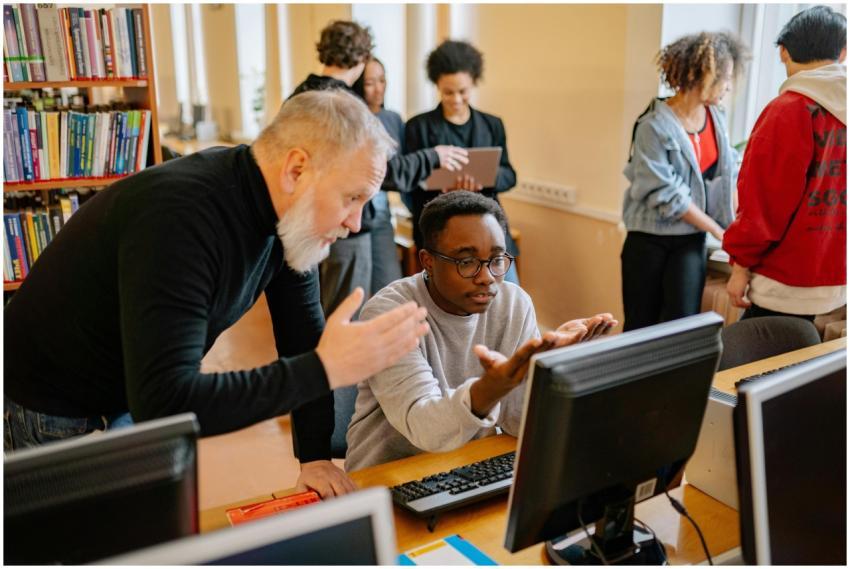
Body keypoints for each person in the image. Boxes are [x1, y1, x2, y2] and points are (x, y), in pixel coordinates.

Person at [4, 90, 430, 498]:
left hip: (129, 390)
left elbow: (303, 336)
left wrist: (315, 456)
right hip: (55, 402)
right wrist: (324, 369)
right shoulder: (181, 218)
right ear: (296, 170)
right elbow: (166, 402)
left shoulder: (289, 216)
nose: (355, 222)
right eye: (352, 198)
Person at [345, 191, 616, 470]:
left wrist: (552, 366)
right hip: (390, 474)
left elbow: (516, 420)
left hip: (470, 464)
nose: (486, 278)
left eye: (496, 260)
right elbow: (424, 427)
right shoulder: (390, 313)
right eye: (467, 262)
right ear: (428, 261)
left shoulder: (513, 303)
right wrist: (488, 390)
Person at [724, 6, 846, 321]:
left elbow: (763, 205)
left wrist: (740, 267)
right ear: (843, 53)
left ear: (783, 52)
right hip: (834, 278)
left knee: (756, 351)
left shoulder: (787, 111)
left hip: (783, 282)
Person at [621, 32, 747, 331]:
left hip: (690, 240)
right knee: (640, 328)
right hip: (649, 240)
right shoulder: (652, 125)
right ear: (697, 75)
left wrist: (738, 229)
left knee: (682, 327)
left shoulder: (716, 117)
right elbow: (667, 193)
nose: (728, 86)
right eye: (723, 77)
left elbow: (727, 175)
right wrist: (718, 230)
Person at [405, 40, 520, 284]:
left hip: (489, 228)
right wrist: (442, 191)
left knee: (508, 296)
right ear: (437, 85)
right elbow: (408, 185)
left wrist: (483, 176)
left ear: (474, 83)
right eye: (448, 92)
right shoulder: (418, 127)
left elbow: (509, 175)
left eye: (463, 91)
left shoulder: (492, 125)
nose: (456, 99)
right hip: (440, 234)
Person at [354, 56, 469, 292]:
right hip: (354, 215)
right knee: (353, 288)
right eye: (370, 83)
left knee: (389, 286)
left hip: (382, 214)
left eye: (382, 80)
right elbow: (384, 172)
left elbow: (407, 170)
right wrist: (433, 156)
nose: (379, 88)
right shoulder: (351, 120)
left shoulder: (393, 119)